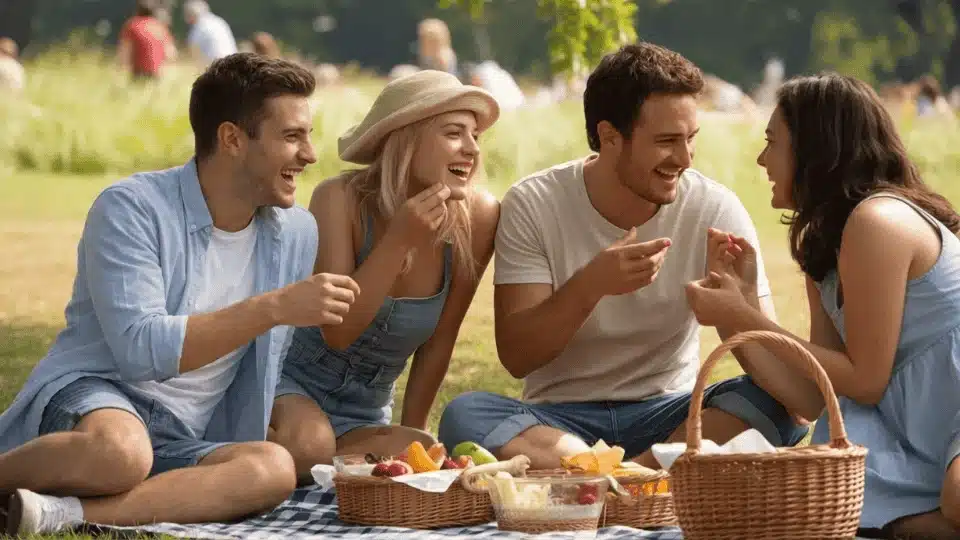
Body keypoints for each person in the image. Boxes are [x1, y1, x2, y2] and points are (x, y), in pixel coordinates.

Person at [0, 53, 362, 535]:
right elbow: (140, 351)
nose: (310, 154)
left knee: (273, 468)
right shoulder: (131, 208)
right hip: (100, 395)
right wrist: (274, 307)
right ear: (232, 139)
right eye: (292, 136)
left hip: (181, 431)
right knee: (121, 453)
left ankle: (59, 514)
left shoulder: (296, 231)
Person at [437, 42, 809, 471]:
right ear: (610, 137)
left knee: (771, 406)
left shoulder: (714, 208)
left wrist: (734, 313)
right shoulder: (535, 202)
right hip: (558, 420)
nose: (684, 159)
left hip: (669, 414)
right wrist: (590, 284)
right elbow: (518, 358)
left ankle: (612, 478)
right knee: (467, 414)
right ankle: (643, 477)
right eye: (667, 141)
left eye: (690, 139)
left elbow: (792, 392)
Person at [684, 73, 960, 539]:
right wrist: (738, 310)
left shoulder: (878, 222)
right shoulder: (826, 246)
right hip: (918, 430)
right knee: (811, 499)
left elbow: (866, 381)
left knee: (956, 496)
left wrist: (740, 313)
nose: (761, 159)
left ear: (816, 149)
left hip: (946, 418)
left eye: (772, 142)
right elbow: (811, 397)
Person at [268, 69, 501, 483]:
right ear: (406, 139)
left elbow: (441, 339)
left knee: (422, 451)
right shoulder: (338, 199)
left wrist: (416, 439)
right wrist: (398, 242)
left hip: (366, 412)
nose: (471, 149)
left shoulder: (477, 217)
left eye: (475, 136)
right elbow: (338, 333)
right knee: (310, 446)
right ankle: (262, 440)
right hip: (293, 383)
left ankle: (317, 463)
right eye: (454, 133)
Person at [117, 0, 177, 81]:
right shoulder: (160, 26)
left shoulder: (132, 25)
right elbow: (171, 54)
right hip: (157, 75)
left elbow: (124, 52)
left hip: (138, 74)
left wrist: (121, 70)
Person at [183, 0, 237, 66]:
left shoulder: (199, 27)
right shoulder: (218, 21)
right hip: (233, 63)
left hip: (216, 66)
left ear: (191, 14)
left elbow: (192, 53)